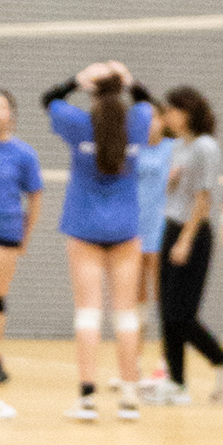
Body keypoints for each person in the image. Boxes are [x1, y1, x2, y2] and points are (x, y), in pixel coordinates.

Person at [47, 62, 153, 422]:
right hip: (125, 229)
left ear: (91, 92)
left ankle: (87, 399)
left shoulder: (78, 124)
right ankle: (129, 398)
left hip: (84, 226)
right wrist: (130, 79)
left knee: (88, 313)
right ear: (121, 90)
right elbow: (147, 102)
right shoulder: (136, 123)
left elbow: (49, 100)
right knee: (126, 314)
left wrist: (76, 80)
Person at [156, 86, 223, 405]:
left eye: (171, 111)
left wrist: (186, 240)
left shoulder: (206, 146)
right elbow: (176, 192)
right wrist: (171, 181)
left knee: (182, 314)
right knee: (167, 312)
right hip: (171, 225)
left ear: (186, 112)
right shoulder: (178, 146)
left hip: (193, 232)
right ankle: (176, 383)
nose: (166, 117)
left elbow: (204, 198)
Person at [0, 87, 43, 416]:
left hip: (4, 232)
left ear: (11, 114)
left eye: (1, 106)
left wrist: (26, 234)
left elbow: (35, 195)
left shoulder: (23, 154)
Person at [133, 97, 176, 398]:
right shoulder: (131, 149)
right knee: (137, 301)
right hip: (134, 231)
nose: (150, 124)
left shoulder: (173, 149)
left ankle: (165, 363)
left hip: (161, 230)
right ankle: (132, 363)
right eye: (143, 119)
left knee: (164, 299)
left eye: (155, 118)